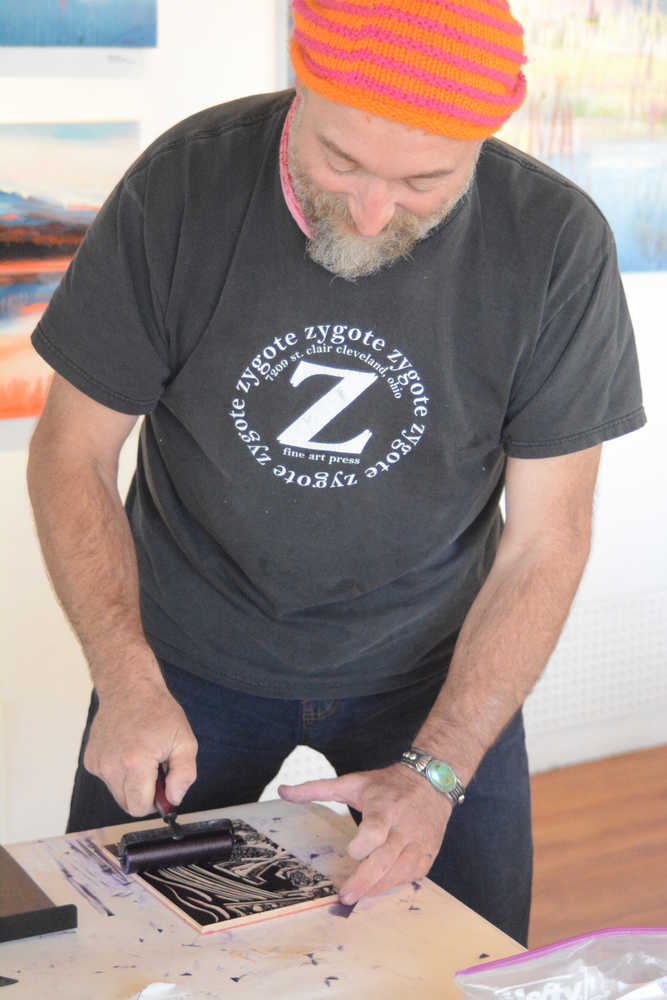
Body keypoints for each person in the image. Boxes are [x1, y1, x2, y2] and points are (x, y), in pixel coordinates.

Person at [26, 0, 645, 946]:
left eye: (425, 181)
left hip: (432, 671)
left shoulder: (553, 242)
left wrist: (439, 767)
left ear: (488, 135)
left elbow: (546, 538)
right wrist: (125, 677)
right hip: (185, 658)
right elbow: (72, 450)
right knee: (109, 950)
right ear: (300, 86)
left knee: (463, 957)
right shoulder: (184, 186)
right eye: (341, 163)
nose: (369, 212)